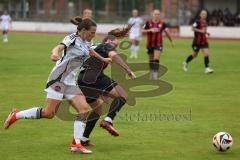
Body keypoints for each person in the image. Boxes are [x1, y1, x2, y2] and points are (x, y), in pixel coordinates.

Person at [4, 17, 111, 154]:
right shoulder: (72, 38)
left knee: (84, 110)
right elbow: (58, 47)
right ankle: (16, 115)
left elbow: (90, 51)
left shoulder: (87, 41)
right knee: (49, 113)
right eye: (92, 32)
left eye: (95, 32)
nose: (93, 35)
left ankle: (76, 144)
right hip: (58, 80)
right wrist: (54, 53)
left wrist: (103, 59)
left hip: (70, 82)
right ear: (83, 30)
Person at [73, 25, 136, 147]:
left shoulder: (96, 46)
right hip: (94, 77)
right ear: (110, 40)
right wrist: (128, 70)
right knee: (123, 95)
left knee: (97, 109)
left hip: (82, 79)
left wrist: (102, 92)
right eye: (117, 40)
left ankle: (83, 138)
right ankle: (108, 121)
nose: (117, 44)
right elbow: (114, 56)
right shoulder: (107, 45)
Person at [142, 9, 173, 80]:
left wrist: (171, 41)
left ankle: (155, 75)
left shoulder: (162, 23)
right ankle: (151, 72)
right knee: (151, 59)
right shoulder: (148, 22)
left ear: (160, 15)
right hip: (149, 44)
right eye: (155, 14)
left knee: (156, 58)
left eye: (158, 14)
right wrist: (150, 30)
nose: (157, 15)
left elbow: (167, 32)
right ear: (153, 15)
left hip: (158, 44)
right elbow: (142, 30)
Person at [183, 9, 214, 74]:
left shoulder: (206, 22)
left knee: (206, 53)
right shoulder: (197, 21)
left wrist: (206, 33)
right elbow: (192, 28)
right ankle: (186, 62)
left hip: (204, 41)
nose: (204, 15)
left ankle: (207, 68)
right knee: (194, 55)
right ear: (200, 15)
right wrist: (201, 31)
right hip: (197, 42)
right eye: (202, 14)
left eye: (205, 14)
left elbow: (203, 30)